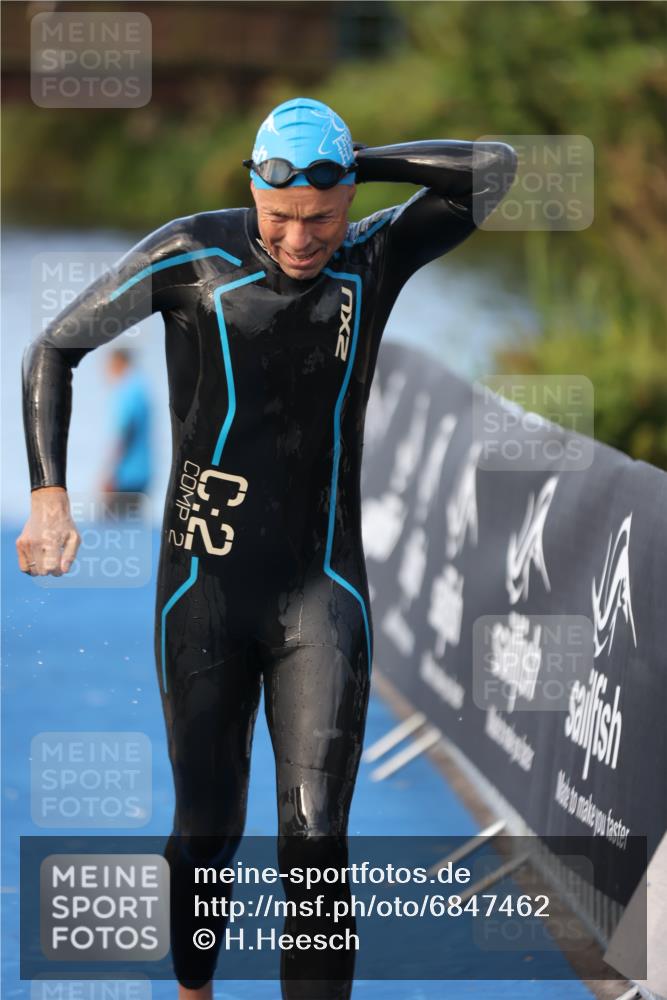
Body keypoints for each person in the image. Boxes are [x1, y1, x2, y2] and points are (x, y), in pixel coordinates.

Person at [17, 97, 517, 998]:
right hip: (200, 592)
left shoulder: (374, 255)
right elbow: (53, 350)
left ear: (348, 203)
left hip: (321, 589)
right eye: (280, 217)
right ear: (252, 191)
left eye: (320, 219)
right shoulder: (189, 257)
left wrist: (356, 158)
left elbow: (495, 170)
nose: (298, 240)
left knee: (316, 836)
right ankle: (193, 987)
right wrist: (49, 495)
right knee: (207, 829)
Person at [100, 347, 152, 517]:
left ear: (119, 363)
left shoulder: (128, 391)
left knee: (108, 531)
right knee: (130, 530)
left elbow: (124, 435)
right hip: (142, 473)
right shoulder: (141, 389)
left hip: (126, 476)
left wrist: (110, 475)